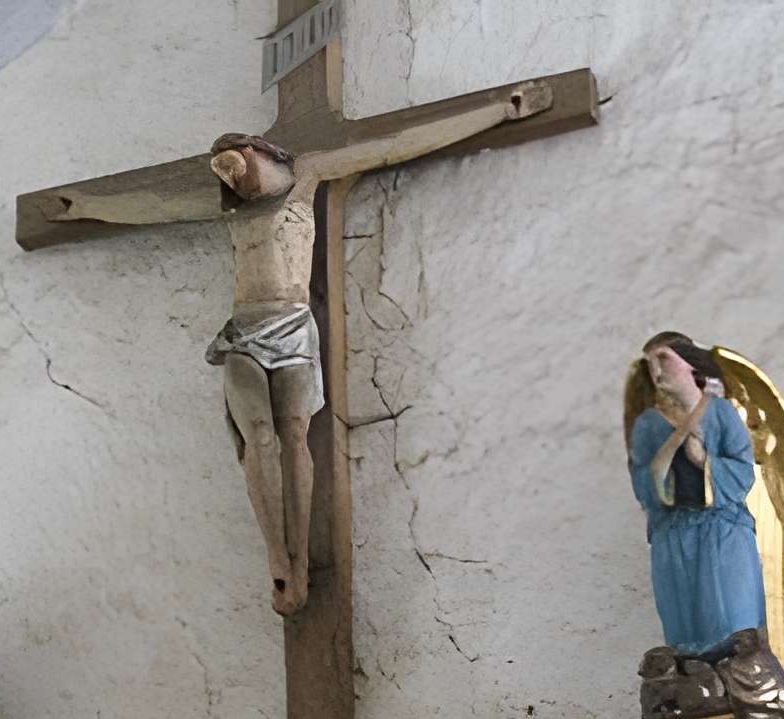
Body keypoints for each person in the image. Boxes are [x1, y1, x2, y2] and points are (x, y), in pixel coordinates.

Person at [204, 82, 552, 615]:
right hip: (245, 331)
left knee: (295, 436)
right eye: (223, 175)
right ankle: (279, 557)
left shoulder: (307, 178)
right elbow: (138, 202)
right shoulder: (231, 212)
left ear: (258, 154)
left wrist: (496, 112)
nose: (232, 179)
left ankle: (299, 559)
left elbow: (397, 143)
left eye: (235, 166)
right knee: (259, 438)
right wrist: (78, 207)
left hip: (293, 328)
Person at [627, 332, 767, 660]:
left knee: (732, 615)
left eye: (663, 359)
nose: (657, 372)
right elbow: (642, 484)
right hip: (674, 536)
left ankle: (744, 678)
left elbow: (745, 471)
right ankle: (696, 680)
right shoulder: (648, 425)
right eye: (650, 365)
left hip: (723, 531)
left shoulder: (720, 413)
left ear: (691, 365)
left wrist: (705, 462)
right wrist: (663, 472)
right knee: (687, 623)